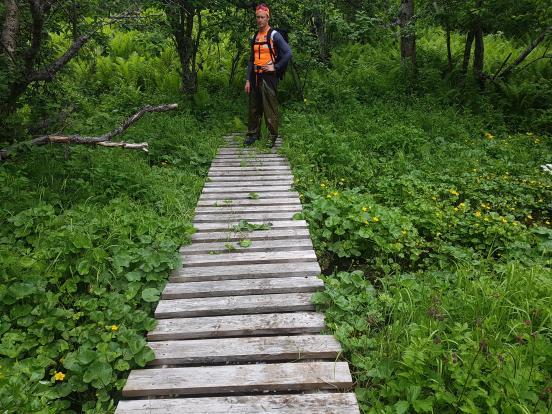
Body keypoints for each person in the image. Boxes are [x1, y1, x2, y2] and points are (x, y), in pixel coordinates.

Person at [244, 3, 292, 147]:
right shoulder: (255, 36)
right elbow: (251, 59)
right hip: (255, 76)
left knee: (269, 107)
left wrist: (275, 67)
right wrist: (247, 79)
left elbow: (288, 53)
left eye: (262, 17)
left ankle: (272, 136)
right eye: (257, 17)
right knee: (254, 107)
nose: (259, 20)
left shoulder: (274, 35)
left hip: (269, 77)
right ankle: (253, 134)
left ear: (268, 17)